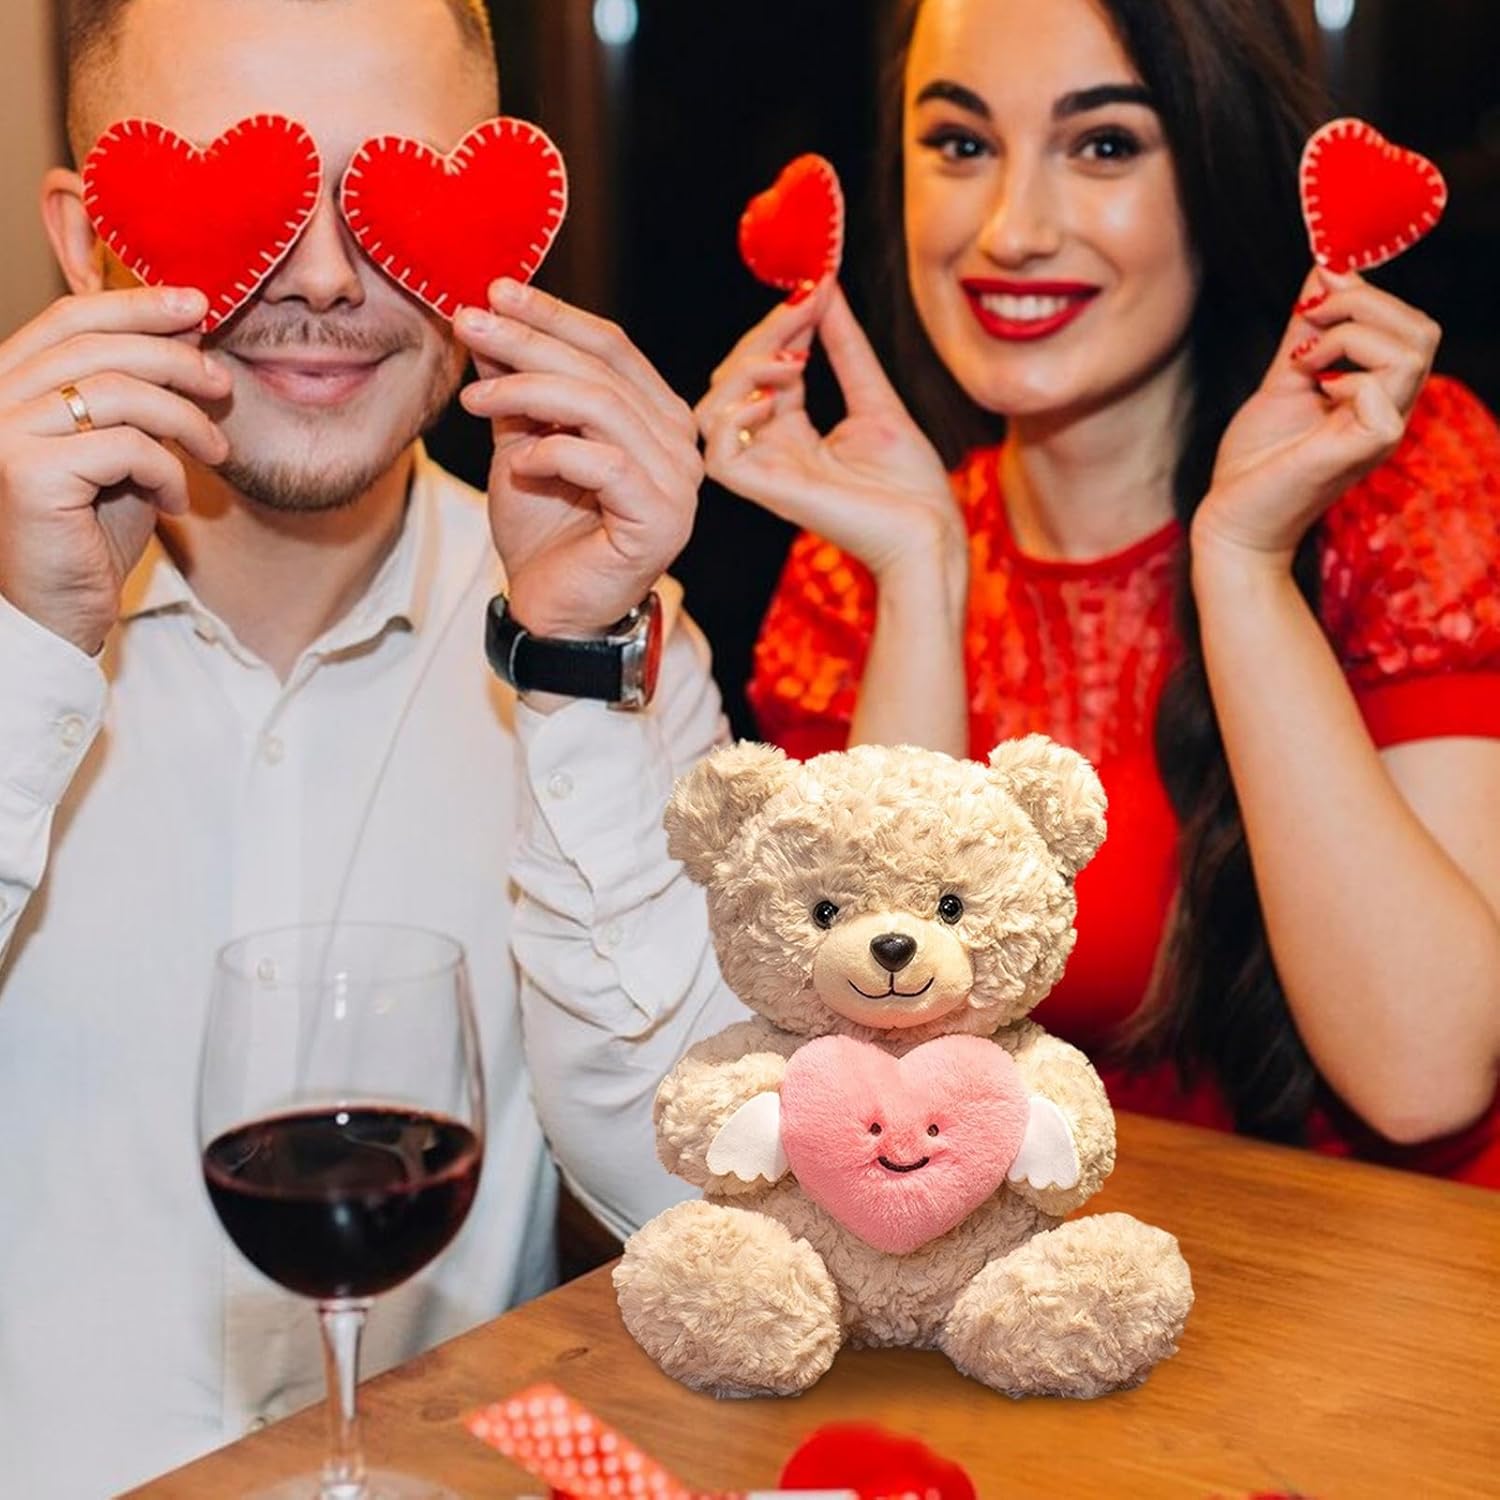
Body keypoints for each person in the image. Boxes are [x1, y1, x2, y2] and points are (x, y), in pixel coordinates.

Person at [0, 0, 742, 1492]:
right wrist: (30, 651)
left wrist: (572, 665)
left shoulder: (600, 631)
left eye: (387, 195)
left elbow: (706, 1203)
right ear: (89, 243)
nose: (327, 278)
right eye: (249, 196)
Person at [697, 0, 1500, 1185]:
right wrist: (918, 577)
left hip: (1377, 1277)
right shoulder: (858, 566)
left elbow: (1424, 1077)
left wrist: (1243, 564)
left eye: (1106, 144)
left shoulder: (1400, 481)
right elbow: (870, 1114)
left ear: (1220, 168)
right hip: (1041, 1273)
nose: (1012, 229)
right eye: (961, 144)